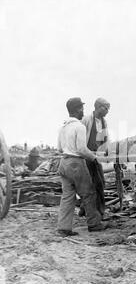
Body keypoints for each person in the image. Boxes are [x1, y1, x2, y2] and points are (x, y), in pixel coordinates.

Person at [57, 97, 108, 236]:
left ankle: (64, 227)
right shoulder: (79, 126)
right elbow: (81, 149)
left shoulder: (63, 127)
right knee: (89, 193)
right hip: (75, 163)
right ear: (78, 109)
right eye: (82, 109)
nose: (83, 112)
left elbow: (60, 148)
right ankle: (94, 224)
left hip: (64, 163)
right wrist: (94, 158)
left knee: (67, 196)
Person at [80, 98, 111, 217]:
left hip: (97, 156)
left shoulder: (104, 122)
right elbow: (81, 138)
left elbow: (106, 138)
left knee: (100, 182)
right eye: (106, 108)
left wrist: (107, 149)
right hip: (87, 156)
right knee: (93, 183)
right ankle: (97, 211)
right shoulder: (87, 120)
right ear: (98, 107)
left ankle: (88, 209)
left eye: (108, 108)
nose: (107, 111)